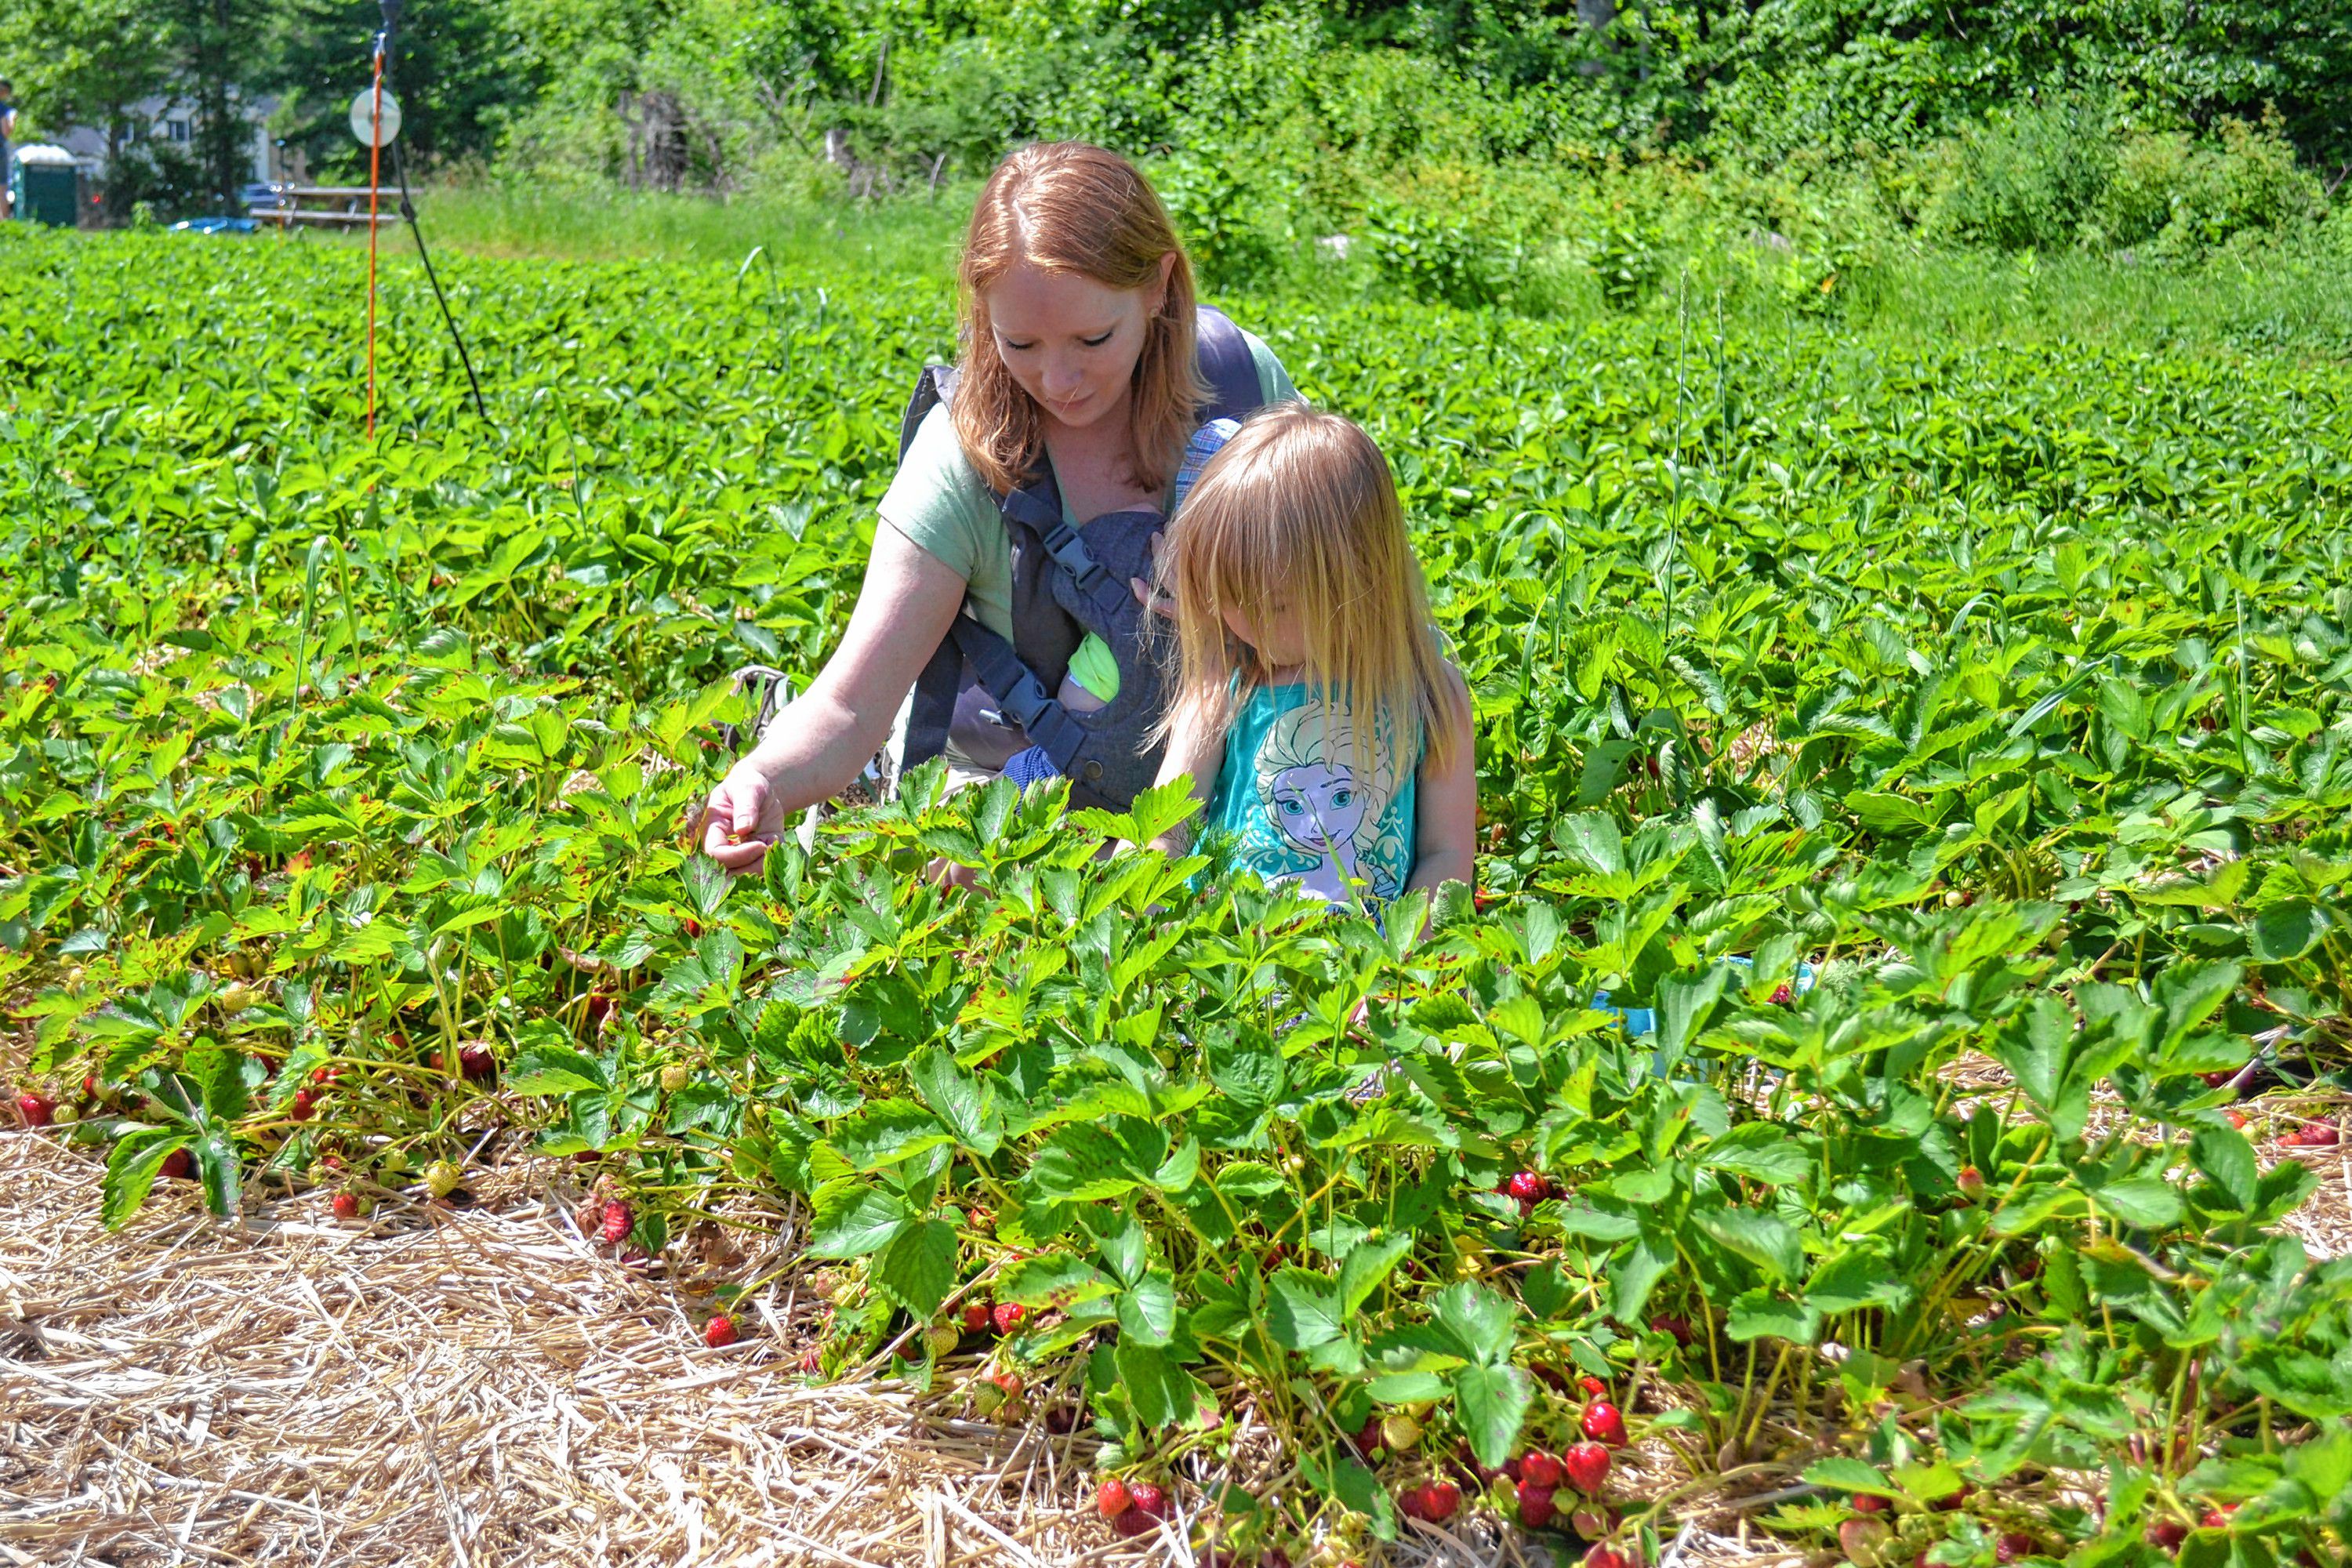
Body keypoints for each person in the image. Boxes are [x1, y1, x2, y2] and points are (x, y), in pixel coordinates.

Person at [697, 141, 1297, 874]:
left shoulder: (1239, 385)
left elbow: (1354, 601)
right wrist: (764, 780)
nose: (1059, 378)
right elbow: (853, 703)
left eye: (1093, 338)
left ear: (1159, 286)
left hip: (1245, 791)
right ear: (984, 316)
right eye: (1020, 342)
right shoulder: (963, 458)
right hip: (1030, 811)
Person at [1145, 404, 1477, 913]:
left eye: (1273, 605)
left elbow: (1447, 854)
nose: (1243, 623)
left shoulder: (1425, 689)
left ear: (1357, 576)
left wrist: (1403, 964)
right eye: (1227, 600)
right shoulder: (1227, 686)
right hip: (1237, 956)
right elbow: (1166, 831)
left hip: (1370, 960)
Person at [0, 81, 17, 223]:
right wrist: (13, 122)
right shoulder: (3, 110)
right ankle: (4, 223)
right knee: (2, 187)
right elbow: (6, 132)